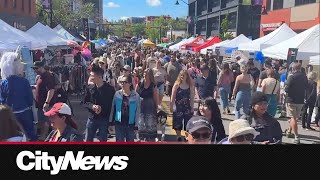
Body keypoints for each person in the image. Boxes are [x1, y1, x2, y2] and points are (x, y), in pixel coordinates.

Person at [0, 52, 38, 141]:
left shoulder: (3, 83)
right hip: (24, 112)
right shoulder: (24, 81)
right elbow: (29, 99)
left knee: (11, 133)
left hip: (10, 114)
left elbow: (2, 101)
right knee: (30, 133)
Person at [82, 66, 116, 142]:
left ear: (99, 77)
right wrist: (92, 106)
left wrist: (102, 109)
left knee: (102, 139)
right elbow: (84, 102)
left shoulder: (110, 89)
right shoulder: (90, 87)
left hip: (104, 119)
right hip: (92, 118)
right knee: (88, 139)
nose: (90, 77)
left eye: (92, 76)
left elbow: (112, 106)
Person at [109, 75, 140, 142]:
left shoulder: (136, 96)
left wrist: (136, 126)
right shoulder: (117, 94)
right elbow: (113, 108)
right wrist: (110, 122)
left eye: (125, 82)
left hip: (130, 124)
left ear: (130, 83)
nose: (123, 84)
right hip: (119, 123)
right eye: (121, 82)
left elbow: (137, 111)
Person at [284, 62, 308, 144]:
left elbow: (286, 89)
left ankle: (296, 136)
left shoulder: (292, 77)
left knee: (293, 118)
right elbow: (306, 87)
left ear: (293, 68)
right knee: (294, 117)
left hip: (291, 100)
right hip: (300, 100)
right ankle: (289, 131)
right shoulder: (304, 77)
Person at [32, 61, 56, 141]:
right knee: (42, 121)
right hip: (40, 104)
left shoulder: (47, 76)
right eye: (34, 68)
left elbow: (51, 89)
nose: (35, 70)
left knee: (46, 121)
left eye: (36, 68)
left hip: (46, 105)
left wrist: (47, 102)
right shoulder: (40, 76)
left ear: (41, 67)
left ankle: (45, 138)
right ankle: (44, 137)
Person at [170, 70, 194, 142]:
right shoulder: (177, 84)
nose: (182, 77)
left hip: (187, 107)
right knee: (178, 122)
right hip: (178, 106)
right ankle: (179, 136)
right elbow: (173, 96)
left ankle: (187, 137)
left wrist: (192, 107)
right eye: (181, 75)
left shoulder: (190, 85)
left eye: (184, 75)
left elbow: (192, 97)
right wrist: (171, 106)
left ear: (187, 76)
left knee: (188, 123)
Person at [136, 68, 159, 141]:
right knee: (141, 123)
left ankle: (149, 138)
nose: (144, 74)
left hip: (150, 107)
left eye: (146, 74)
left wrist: (156, 106)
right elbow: (135, 94)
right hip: (141, 106)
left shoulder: (153, 86)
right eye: (144, 73)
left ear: (150, 75)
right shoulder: (140, 84)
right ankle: (141, 137)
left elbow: (155, 97)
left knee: (149, 123)